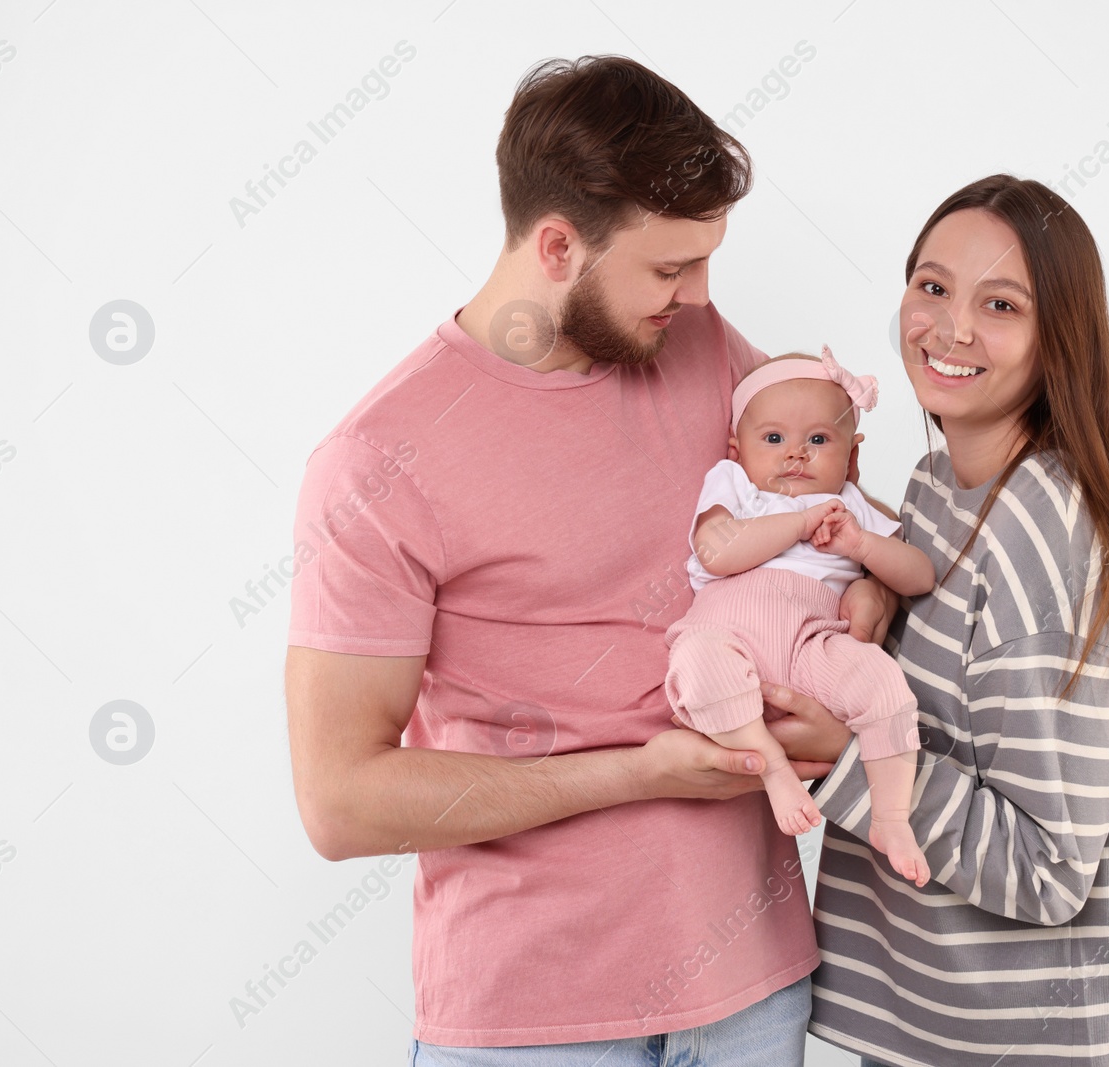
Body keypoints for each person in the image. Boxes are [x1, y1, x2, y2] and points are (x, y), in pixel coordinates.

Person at [281, 55, 901, 1065]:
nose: (698, 295)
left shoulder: (701, 347)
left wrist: (859, 627)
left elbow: (832, 521)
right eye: (668, 268)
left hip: (754, 989)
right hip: (533, 1022)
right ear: (558, 245)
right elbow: (340, 799)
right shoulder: (376, 462)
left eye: (706, 262)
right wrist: (638, 774)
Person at [764, 175, 1109, 1066]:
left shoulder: (1042, 537)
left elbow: (1048, 869)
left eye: (1000, 304)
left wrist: (849, 754)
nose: (951, 327)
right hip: (949, 1028)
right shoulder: (937, 488)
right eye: (932, 286)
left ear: (1056, 338)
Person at [664, 347, 935, 885]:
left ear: (852, 455)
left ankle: (891, 817)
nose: (796, 455)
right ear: (736, 451)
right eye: (773, 440)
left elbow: (919, 577)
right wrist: (798, 523)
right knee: (696, 662)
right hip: (728, 633)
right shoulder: (735, 488)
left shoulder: (850, 506)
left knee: (884, 684)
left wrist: (863, 546)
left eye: (818, 440)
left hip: (813, 643)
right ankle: (773, 766)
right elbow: (717, 553)